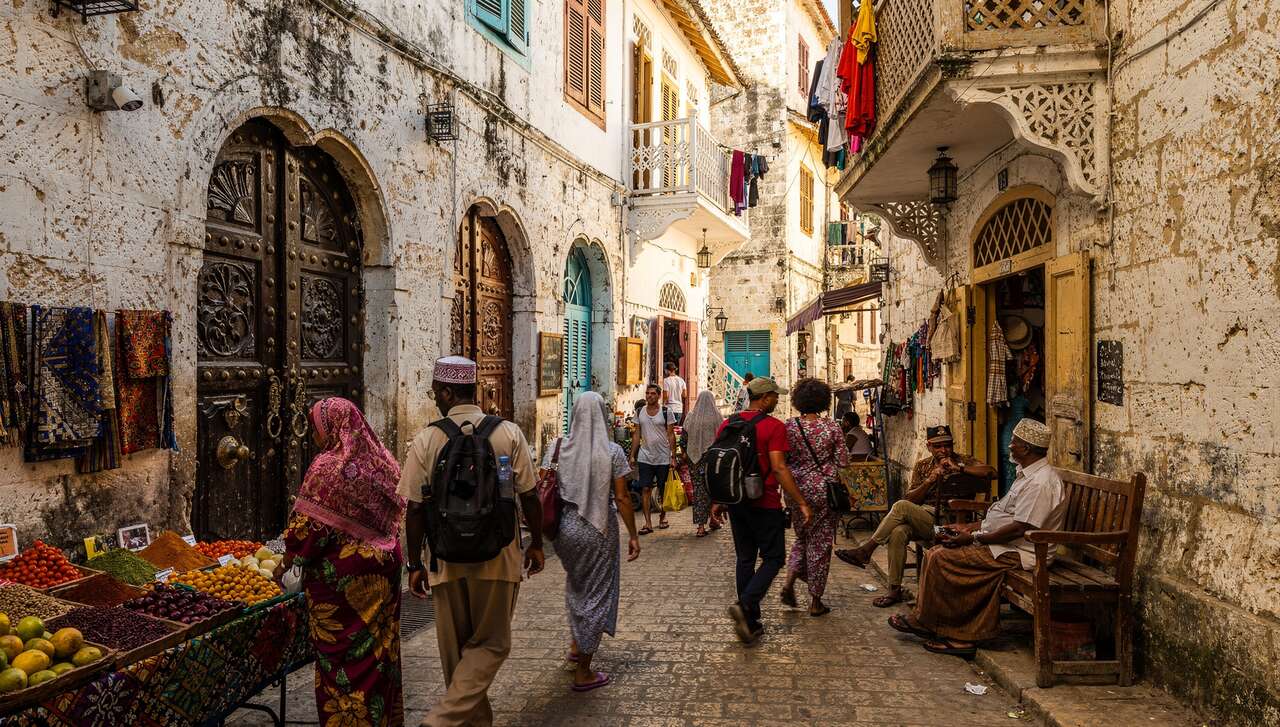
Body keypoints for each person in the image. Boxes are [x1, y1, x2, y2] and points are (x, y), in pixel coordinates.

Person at [400, 356, 545, 727]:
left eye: (436, 391)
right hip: (499, 559)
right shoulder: (508, 433)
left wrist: (414, 564)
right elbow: (529, 496)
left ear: (449, 391)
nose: (434, 398)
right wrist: (537, 544)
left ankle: (448, 719)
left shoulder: (427, 438)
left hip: (445, 561)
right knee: (491, 644)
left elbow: (414, 509)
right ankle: (448, 720)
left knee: (458, 657)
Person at [889, 419, 1066, 657]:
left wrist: (976, 539)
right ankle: (928, 621)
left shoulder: (1040, 483)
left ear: (1026, 448)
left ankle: (961, 635)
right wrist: (969, 528)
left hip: (1022, 552)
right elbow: (1005, 517)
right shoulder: (1027, 476)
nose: (1010, 447)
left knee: (943, 558)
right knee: (936, 552)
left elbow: (1019, 528)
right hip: (1004, 543)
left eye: (1014, 442)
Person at [281, 397, 406, 726]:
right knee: (379, 654)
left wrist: (288, 560)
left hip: (345, 583)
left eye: (316, 428)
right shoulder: (381, 461)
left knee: (345, 666)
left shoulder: (327, 467)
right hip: (384, 570)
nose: (316, 436)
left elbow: (307, 533)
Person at [835, 424, 995, 607]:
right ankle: (894, 590)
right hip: (928, 520)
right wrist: (929, 481)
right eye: (938, 446)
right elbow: (911, 499)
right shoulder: (923, 466)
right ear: (929, 447)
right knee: (899, 525)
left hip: (956, 526)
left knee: (899, 518)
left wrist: (959, 468)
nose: (944, 450)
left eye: (947, 445)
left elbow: (991, 472)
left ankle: (867, 550)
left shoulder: (965, 460)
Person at [544, 392, 641, 692]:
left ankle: (577, 644)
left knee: (577, 584)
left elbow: (545, 483)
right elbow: (622, 497)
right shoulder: (612, 451)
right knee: (597, 594)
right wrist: (634, 535)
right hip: (599, 531)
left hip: (564, 531)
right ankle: (584, 670)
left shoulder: (557, 447)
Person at [718, 377, 813, 645]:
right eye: (775, 396)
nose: (778, 400)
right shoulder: (773, 427)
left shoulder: (729, 423)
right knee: (773, 558)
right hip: (765, 501)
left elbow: (722, 463)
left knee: (745, 558)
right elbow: (780, 468)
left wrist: (718, 500)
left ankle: (751, 622)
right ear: (765, 398)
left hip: (736, 502)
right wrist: (801, 502)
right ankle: (746, 603)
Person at [779, 379, 850, 617]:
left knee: (802, 536)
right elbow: (843, 462)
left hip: (794, 490)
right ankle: (815, 601)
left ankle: (789, 580)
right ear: (823, 401)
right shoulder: (831, 428)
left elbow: (783, 460)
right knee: (820, 543)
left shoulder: (789, 426)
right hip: (823, 490)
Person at [630, 383, 676, 534]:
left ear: (658, 395)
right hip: (645, 456)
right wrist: (632, 455)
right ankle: (648, 523)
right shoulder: (639, 412)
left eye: (652, 394)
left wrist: (673, 456)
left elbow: (670, 434)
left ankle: (663, 517)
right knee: (646, 488)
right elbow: (637, 435)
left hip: (662, 457)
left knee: (662, 489)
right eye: (647, 393)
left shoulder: (666, 411)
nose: (649, 396)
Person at [682, 390, 724, 537]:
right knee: (714, 491)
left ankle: (700, 527)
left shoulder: (690, 417)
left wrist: (686, 454)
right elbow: (723, 439)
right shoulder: (717, 417)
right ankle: (714, 518)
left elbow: (683, 440)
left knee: (699, 493)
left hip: (695, 461)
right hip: (713, 461)